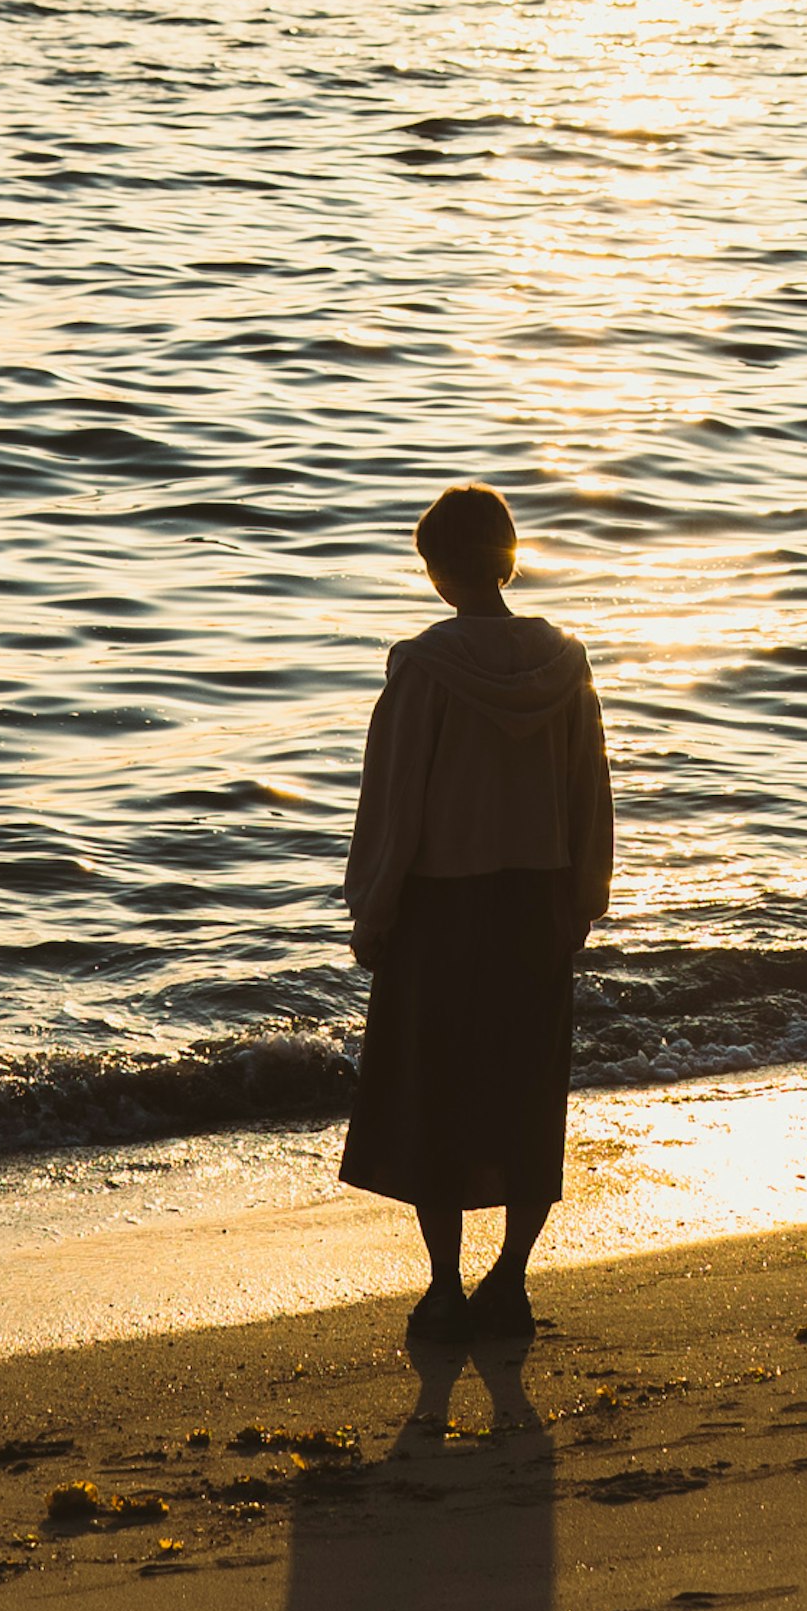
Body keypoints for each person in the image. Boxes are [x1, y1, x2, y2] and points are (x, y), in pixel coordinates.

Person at [337, 482, 614, 1336]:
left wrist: (373, 906)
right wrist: (584, 900)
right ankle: (512, 1278)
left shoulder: (424, 667)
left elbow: (395, 803)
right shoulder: (565, 662)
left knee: (436, 1098)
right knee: (527, 1096)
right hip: (535, 906)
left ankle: (446, 1285)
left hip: (442, 912)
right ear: (506, 559)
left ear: (440, 569)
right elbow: (590, 792)